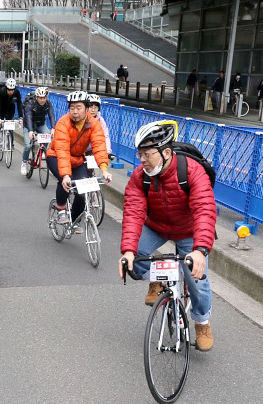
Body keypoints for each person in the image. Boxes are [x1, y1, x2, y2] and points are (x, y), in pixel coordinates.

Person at [118, 120, 216, 351]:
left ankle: (202, 322)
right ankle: (157, 280)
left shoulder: (191, 170)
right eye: (139, 153)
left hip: (189, 230)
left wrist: (200, 250)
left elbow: (204, 209)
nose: (141, 159)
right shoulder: (140, 176)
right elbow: (133, 212)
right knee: (136, 260)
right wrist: (128, 251)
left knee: (196, 280)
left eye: (147, 154)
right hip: (157, 226)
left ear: (166, 152)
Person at [46, 91, 111, 230]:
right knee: (66, 182)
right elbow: (62, 150)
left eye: (79, 107)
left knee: (83, 192)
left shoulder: (94, 124)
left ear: (87, 109)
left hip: (77, 160)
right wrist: (66, 175)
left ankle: (73, 222)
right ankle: (61, 209)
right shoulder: (63, 122)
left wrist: (104, 169)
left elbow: (99, 145)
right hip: (56, 156)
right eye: (72, 108)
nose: (75, 112)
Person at [21, 86, 55, 174]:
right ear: (36, 97)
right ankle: (24, 162)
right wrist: (31, 131)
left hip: (40, 124)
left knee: (47, 135)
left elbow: (51, 115)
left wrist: (53, 128)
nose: (42, 100)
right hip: (29, 125)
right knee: (28, 145)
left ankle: (42, 151)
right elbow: (28, 116)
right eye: (40, 98)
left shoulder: (48, 103)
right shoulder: (30, 104)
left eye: (44, 98)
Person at [0, 78, 22, 149]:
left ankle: (11, 144)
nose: (10, 92)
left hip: (10, 110)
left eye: (12, 90)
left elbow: (19, 104)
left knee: (10, 128)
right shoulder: (1, 92)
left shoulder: (17, 92)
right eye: (9, 90)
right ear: (6, 88)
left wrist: (21, 117)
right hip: (1, 110)